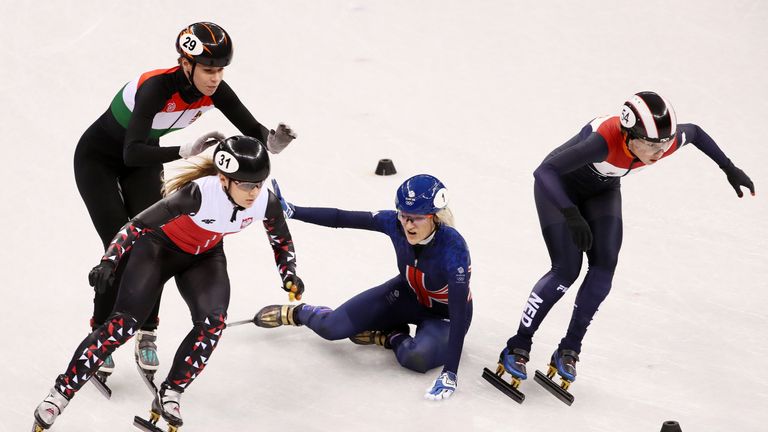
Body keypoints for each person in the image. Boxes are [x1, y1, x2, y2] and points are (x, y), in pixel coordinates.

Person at [33, 136, 304, 431]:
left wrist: (288, 273)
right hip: (158, 250)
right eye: (245, 184)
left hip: (204, 257)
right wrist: (110, 260)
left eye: (258, 184)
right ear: (224, 179)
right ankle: (59, 395)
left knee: (213, 323)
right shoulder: (198, 194)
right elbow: (137, 224)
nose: (253, 193)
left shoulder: (265, 201)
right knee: (124, 324)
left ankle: (171, 392)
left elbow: (281, 239)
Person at [73, 21, 297, 378]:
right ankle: (101, 329)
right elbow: (131, 153)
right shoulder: (156, 87)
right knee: (120, 245)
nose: (216, 78)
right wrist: (183, 149)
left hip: (144, 162)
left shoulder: (215, 89)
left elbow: (251, 129)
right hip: (99, 161)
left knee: (153, 241)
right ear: (185, 63)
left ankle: (147, 330)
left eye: (221, 69)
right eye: (209, 69)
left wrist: (271, 143)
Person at [495, 91, 755, 392]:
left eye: (666, 143)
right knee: (567, 270)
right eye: (653, 145)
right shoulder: (602, 141)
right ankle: (518, 345)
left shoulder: (662, 141)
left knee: (605, 265)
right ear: (630, 136)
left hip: (602, 190)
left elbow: (694, 132)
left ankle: (569, 349)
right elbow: (544, 172)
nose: (661, 152)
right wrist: (570, 213)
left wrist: (728, 167)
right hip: (559, 191)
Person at [254, 174, 472, 401]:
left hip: (444, 318)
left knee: (415, 358)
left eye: (415, 218)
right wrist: (293, 210)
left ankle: (391, 335)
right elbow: (342, 218)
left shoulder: (454, 249)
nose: (407, 225)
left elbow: (458, 315)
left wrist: (450, 373)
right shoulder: (394, 223)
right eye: (403, 216)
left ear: (434, 217)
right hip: (407, 296)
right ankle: (298, 313)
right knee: (332, 328)